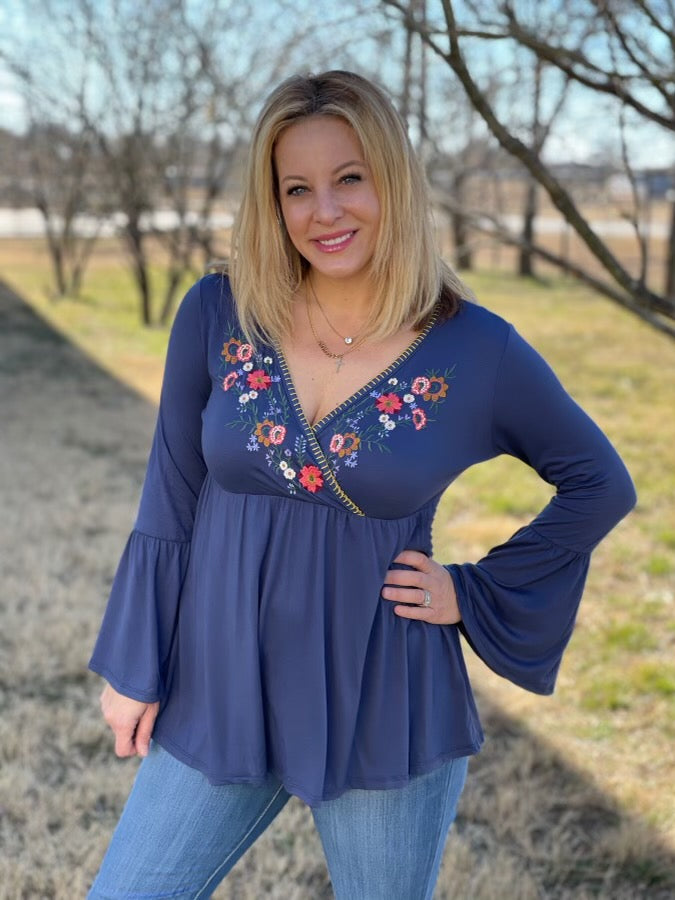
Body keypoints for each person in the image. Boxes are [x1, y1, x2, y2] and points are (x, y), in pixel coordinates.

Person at [87, 70, 636, 899]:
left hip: (382, 698)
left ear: (394, 182)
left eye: (350, 178)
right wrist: (135, 664)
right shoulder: (218, 311)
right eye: (296, 188)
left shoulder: (473, 349)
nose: (325, 211)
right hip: (219, 683)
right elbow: (170, 493)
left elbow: (598, 483)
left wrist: (472, 591)